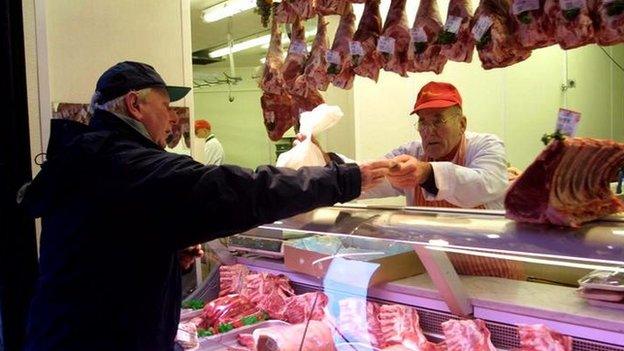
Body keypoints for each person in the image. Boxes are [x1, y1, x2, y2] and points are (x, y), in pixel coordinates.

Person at [18, 61, 392, 351]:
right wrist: (344, 179)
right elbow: (241, 191)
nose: (172, 117)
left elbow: (107, 243)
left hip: (65, 333)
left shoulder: (88, 160)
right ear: (135, 104)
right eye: (166, 106)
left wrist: (160, 250)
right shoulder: (132, 167)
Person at [303, 81, 523, 279]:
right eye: (423, 123)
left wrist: (427, 172)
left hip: (494, 277)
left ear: (462, 124)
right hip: (437, 275)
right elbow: (371, 178)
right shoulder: (412, 152)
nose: (429, 132)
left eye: (438, 121)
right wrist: (324, 163)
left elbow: (484, 185)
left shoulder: (485, 146)